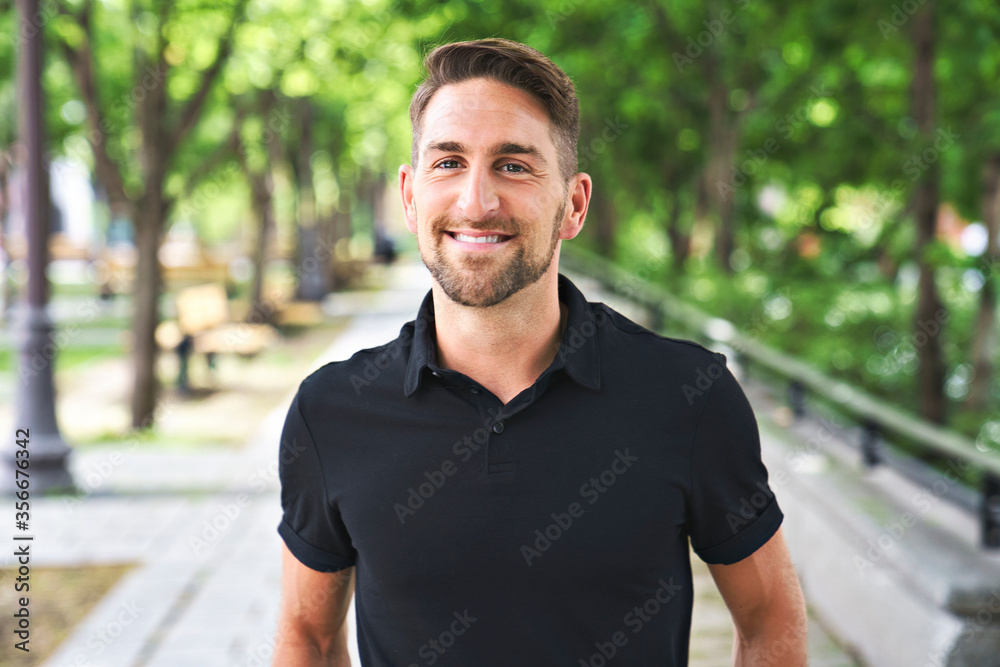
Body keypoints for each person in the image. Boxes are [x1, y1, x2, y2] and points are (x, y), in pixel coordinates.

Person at [274, 38, 807, 666]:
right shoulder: (332, 411)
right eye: (448, 163)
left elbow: (770, 618)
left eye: (514, 165)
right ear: (411, 195)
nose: (476, 202)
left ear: (573, 205)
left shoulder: (687, 395)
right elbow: (307, 635)